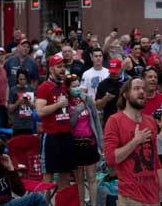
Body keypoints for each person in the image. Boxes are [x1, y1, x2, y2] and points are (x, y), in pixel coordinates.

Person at [104, 78, 162, 206]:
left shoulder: (150, 121)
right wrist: (135, 141)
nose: (141, 91)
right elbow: (110, 159)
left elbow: (156, 163)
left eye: (143, 89)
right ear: (125, 94)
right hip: (130, 197)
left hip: (153, 198)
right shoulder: (114, 121)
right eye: (136, 88)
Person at [35, 54, 76, 190]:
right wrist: (58, 105)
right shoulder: (44, 87)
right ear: (51, 69)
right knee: (48, 178)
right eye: (59, 67)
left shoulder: (65, 86)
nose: (62, 69)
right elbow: (40, 111)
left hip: (66, 135)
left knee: (65, 176)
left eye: (64, 66)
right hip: (51, 136)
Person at [0, 137, 47, 206]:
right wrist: (8, 199)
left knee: (36, 200)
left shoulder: (3, 167)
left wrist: (11, 169)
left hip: (9, 202)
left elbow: (20, 192)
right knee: (37, 197)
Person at [67, 74, 103, 206]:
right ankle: (81, 203)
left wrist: (101, 142)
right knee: (79, 179)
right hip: (76, 145)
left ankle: (93, 204)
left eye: (78, 86)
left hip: (90, 142)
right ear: (68, 88)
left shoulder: (86, 99)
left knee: (92, 177)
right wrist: (76, 112)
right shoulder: (66, 102)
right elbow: (69, 125)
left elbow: (96, 120)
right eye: (74, 86)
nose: (77, 89)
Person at [95, 58, 123, 126]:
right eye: (112, 72)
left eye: (116, 72)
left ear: (120, 69)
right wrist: (105, 98)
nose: (114, 74)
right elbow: (98, 107)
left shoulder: (127, 82)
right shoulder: (103, 84)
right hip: (109, 120)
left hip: (125, 118)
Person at [8, 69, 35, 136]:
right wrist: (18, 102)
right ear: (17, 79)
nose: (22, 81)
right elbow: (10, 110)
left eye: (24, 79)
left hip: (29, 124)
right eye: (20, 79)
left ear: (27, 79)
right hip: (17, 124)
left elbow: (36, 106)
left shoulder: (31, 89)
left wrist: (30, 104)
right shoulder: (13, 90)